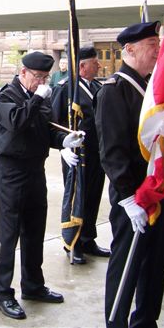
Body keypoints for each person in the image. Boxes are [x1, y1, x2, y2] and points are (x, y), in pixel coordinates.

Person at [95, 21, 164, 328]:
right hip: (133, 195)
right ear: (129, 50)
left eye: (158, 45)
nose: (158, 51)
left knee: (156, 262)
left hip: (158, 189)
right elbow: (112, 152)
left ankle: (145, 321)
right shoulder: (114, 91)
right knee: (126, 265)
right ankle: (116, 322)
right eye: (151, 46)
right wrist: (129, 198)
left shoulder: (154, 89)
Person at [0, 51, 84, 320]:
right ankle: (3, 292)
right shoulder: (5, 97)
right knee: (10, 234)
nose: (42, 82)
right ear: (23, 73)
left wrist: (64, 141)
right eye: (37, 76)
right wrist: (37, 98)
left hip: (35, 169)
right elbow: (17, 122)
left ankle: (32, 285)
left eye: (45, 77)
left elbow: (46, 129)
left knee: (34, 230)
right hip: (12, 171)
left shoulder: (41, 96)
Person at [51, 47, 110, 264]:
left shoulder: (97, 87)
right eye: (95, 62)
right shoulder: (66, 88)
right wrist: (63, 148)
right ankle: (73, 243)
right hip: (77, 155)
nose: (99, 65)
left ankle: (87, 239)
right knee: (77, 198)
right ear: (82, 66)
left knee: (93, 197)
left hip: (97, 154)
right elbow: (54, 122)